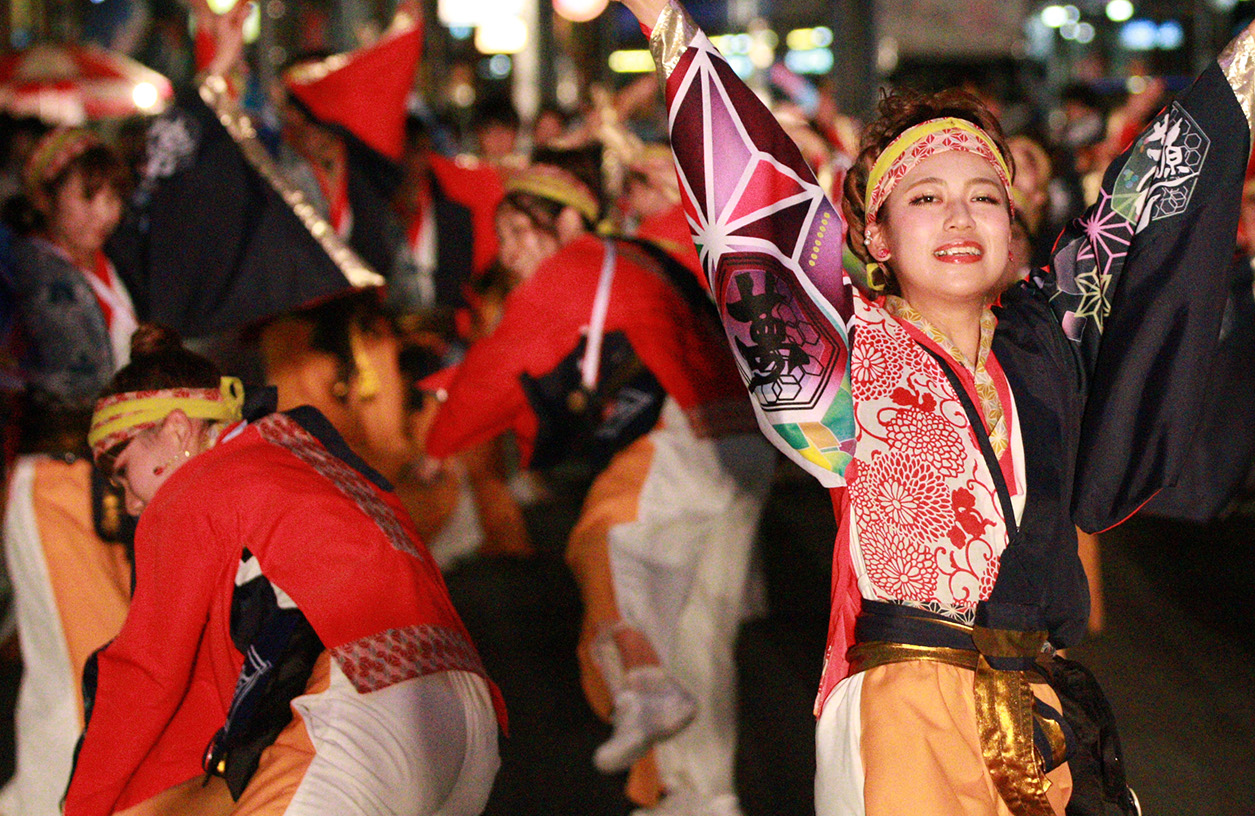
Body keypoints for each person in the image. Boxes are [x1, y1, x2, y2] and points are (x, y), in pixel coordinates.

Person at [541, 0, 1255, 814]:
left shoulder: (1044, 338)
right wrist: (651, 1)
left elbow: (1146, 202)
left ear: (1015, 234)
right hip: (904, 707)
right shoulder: (846, 351)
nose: (961, 219)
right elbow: (754, 200)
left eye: (985, 198)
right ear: (873, 237)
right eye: (925, 199)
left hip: (1040, 704)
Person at [422, 160, 766, 816]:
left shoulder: (575, 264)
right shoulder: (636, 255)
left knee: (606, 533)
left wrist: (439, 447)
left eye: (524, 231)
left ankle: (638, 685)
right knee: (699, 637)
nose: (513, 251)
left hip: (681, 435)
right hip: (741, 445)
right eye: (505, 236)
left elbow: (500, 369)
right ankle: (707, 796)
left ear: (572, 222)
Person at [66, 324, 501, 816]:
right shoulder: (304, 451)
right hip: (469, 716)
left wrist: (83, 806)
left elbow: (145, 675)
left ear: (177, 429)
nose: (129, 504)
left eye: (123, 470)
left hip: (367, 715)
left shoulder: (192, 490)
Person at [2, 129, 136, 816]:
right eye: (88, 196)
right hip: (53, 479)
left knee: (73, 666)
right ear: (47, 198)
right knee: (89, 660)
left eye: (113, 196)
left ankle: (40, 803)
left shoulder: (108, 270)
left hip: (101, 486)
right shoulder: (23, 266)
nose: (104, 213)